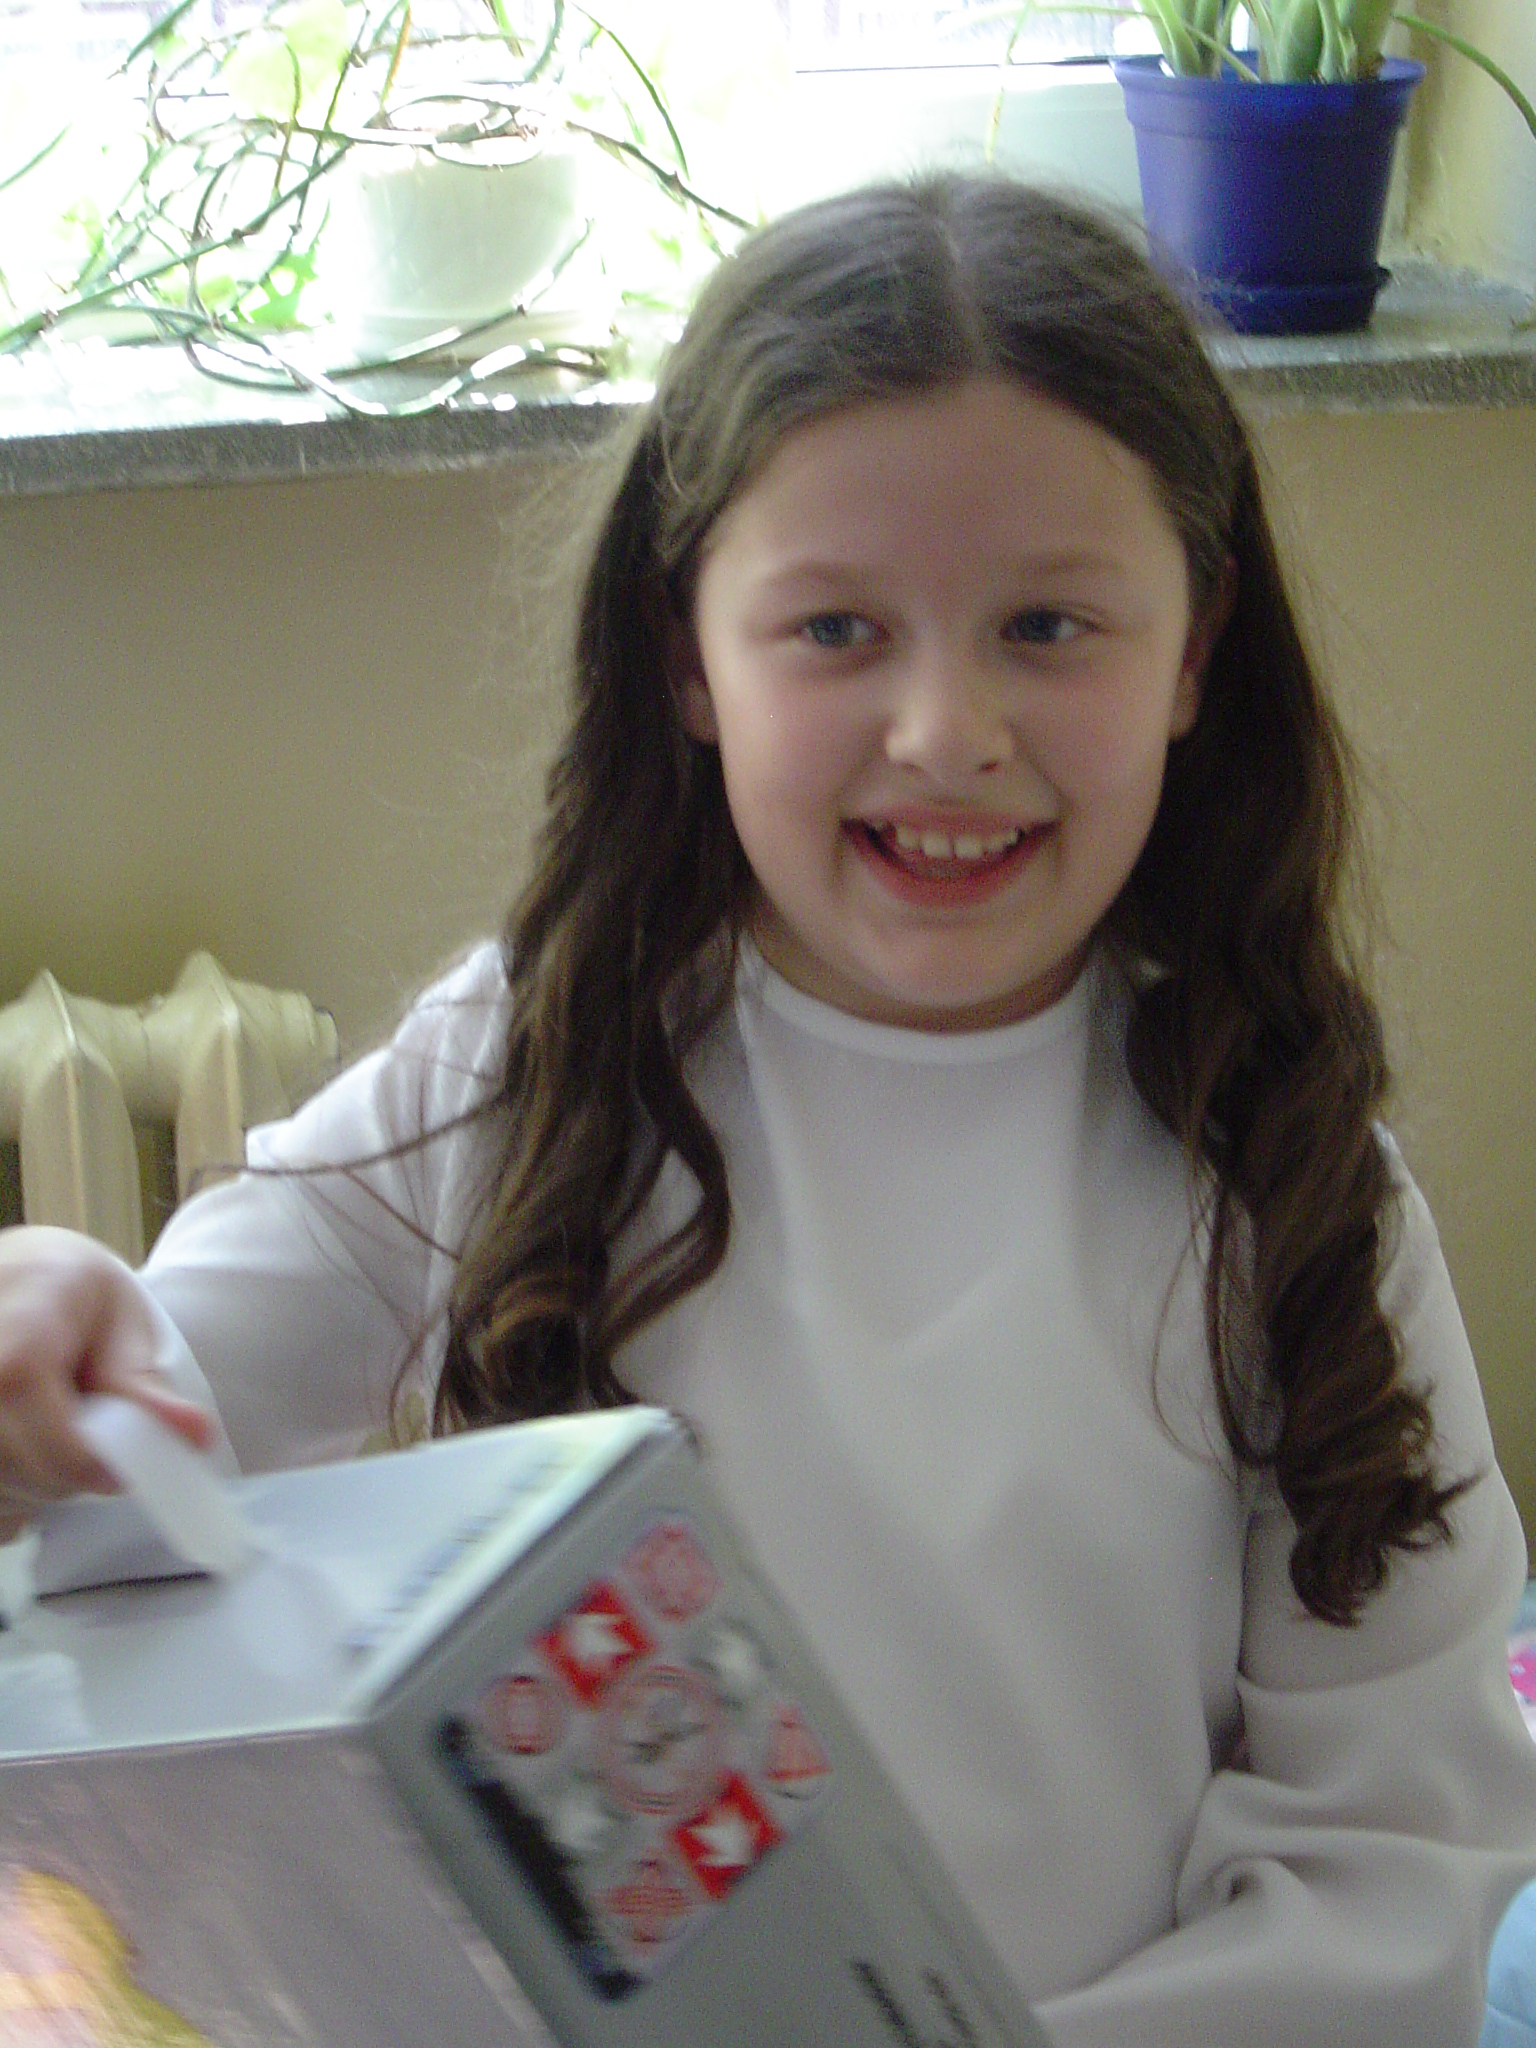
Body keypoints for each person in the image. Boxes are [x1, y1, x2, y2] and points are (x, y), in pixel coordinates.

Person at [1, 173, 1533, 2044]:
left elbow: (1400, 1858)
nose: (947, 733)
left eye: (1050, 624)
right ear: (687, 656)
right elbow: (175, 1381)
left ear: (1194, 654)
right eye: (834, 631)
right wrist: (63, 1335)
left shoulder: (1292, 1183)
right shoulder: (540, 1052)